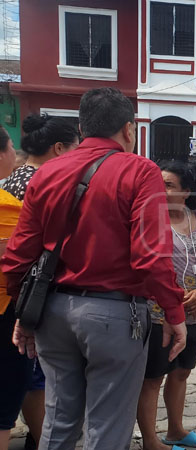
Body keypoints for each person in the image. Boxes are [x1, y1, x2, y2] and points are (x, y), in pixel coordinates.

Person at [1, 87, 188, 450]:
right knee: (107, 427)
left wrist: (24, 314)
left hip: (53, 312)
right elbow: (151, 255)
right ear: (129, 130)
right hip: (115, 315)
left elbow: (19, 254)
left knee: (58, 422)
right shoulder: (140, 171)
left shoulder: (47, 173)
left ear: (83, 128)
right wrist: (174, 312)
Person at [3, 113, 80, 449]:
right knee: (35, 375)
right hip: (32, 297)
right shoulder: (50, 184)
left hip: (16, 292)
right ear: (60, 148)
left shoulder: (10, 180)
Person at [137, 161, 196, 450]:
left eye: (169, 185)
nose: (161, 189)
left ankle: (175, 430)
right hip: (159, 314)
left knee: (181, 372)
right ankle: (150, 440)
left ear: (186, 191)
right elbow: (148, 268)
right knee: (152, 378)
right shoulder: (149, 219)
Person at [0, 126, 29, 450]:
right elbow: (20, 258)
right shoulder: (8, 206)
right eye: (10, 146)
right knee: (6, 395)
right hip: (6, 308)